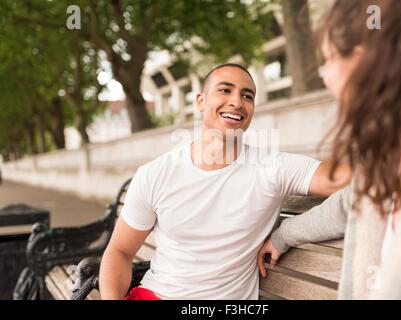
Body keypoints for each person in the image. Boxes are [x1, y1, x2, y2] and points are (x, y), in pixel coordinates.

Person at [99, 63, 351, 300]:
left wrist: (286, 234)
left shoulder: (273, 168)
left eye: (247, 96)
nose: (237, 102)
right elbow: (120, 252)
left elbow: (355, 181)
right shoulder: (155, 174)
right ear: (201, 100)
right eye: (225, 90)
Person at [258, 0, 401, 299]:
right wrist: (282, 236)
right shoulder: (386, 171)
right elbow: (347, 205)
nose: (325, 76)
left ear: (365, 67)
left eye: (330, 59)